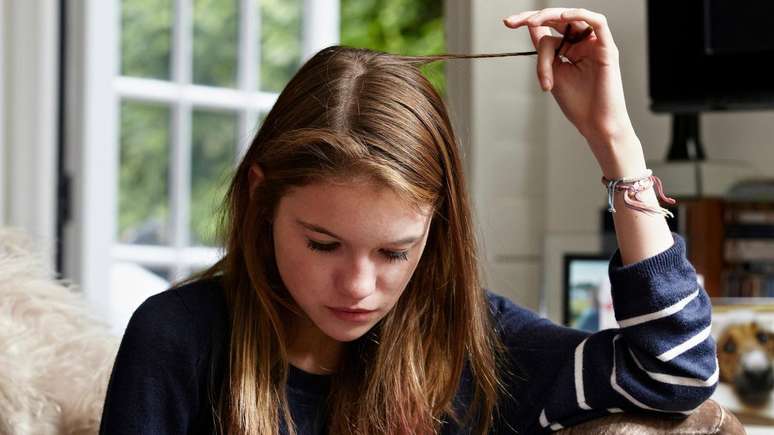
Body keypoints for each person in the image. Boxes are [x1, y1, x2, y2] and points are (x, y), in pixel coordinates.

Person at [99, 7, 718, 434]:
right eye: (322, 244)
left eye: (395, 252)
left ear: (436, 227)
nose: (359, 286)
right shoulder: (178, 338)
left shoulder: (474, 347)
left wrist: (616, 144)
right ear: (262, 202)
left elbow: (674, 372)